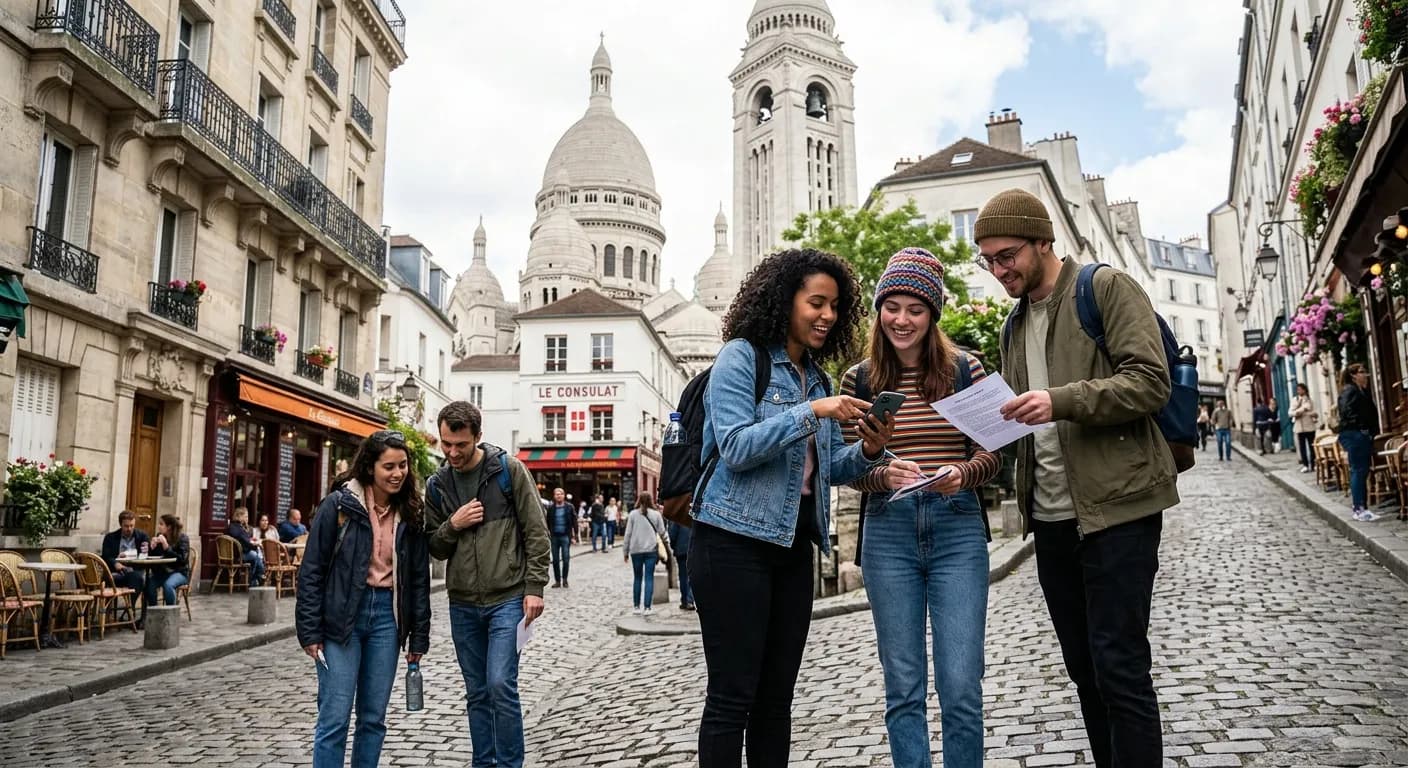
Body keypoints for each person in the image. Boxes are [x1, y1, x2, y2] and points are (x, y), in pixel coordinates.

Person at [984, 188, 1174, 767]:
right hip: (1052, 520)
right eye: (988, 260)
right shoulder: (1012, 327)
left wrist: (1060, 401)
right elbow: (1024, 420)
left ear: (1044, 242)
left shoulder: (1105, 289)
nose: (999, 270)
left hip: (1118, 509)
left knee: (1119, 666)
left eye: (1008, 255)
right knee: (1085, 670)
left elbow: (1150, 381)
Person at [690, 247, 892, 768]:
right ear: (786, 301)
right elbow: (735, 447)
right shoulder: (742, 356)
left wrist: (869, 451)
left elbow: (825, 471)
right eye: (816, 303)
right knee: (732, 698)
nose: (827, 315)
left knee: (776, 703)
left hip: (794, 546)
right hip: (732, 543)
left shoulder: (818, 379)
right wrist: (811, 412)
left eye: (835, 306)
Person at [839, 247, 999, 768]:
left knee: (960, 683)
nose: (902, 320)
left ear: (933, 315)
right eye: (893, 306)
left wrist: (961, 474)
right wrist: (883, 473)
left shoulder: (964, 369)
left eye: (915, 309)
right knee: (903, 685)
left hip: (957, 528)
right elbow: (847, 466)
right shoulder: (858, 381)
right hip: (889, 533)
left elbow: (992, 452)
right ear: (879, 309)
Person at [296, 429, 432, 768]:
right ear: (370, 467)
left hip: (387, 618)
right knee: (335, 717)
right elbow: (311, 570)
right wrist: (309, 631)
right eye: (389, 466)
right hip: (342, 618)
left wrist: (419, 635)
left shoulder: (411, 513)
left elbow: (418, 579)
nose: (398, 473)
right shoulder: (339, 506)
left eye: (403, 465)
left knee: (373, 719)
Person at [426, 401, 549, 768]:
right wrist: (454, 524)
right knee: (477, 693)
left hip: (507, 598)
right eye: (446, 444)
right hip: (462, 602)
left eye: (460, 445)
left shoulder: (508, 471)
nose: (452, 452)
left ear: (478, 437)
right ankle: (484, 762)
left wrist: (535, 587)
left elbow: (536, 532)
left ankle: (510, 764)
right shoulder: (437, 485)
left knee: (499, 684)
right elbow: (434, 544)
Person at [1338, 363, 1379, 522]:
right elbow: (1347, 412)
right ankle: (1358, 509)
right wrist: (1361, 429)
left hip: (1359, 434)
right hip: (1354, 434)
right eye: (1362, 372)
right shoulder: (1350, 390)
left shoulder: (1361, 391)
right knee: (1358, 470)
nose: (1365, 375)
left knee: (1363, 470)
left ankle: (1363, 508)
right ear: (1354, 375)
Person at [623, 494, 667, 615]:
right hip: (651, 550)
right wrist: (667, 545)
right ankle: (647, 608)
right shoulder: (656, 515)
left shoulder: (633, 514)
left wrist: (625, 551)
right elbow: (662, 532)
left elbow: (627, 534)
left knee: (637, 578)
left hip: (635, 550)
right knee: (649, 578)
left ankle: (636, 607)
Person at [145, 514, 190, 607]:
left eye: (161, 524)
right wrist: (152, 547)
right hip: (163, 572)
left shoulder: (183, 538)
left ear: (169, 527)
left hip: (180, 572)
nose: (158, 526)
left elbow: (182, 560)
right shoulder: (160, 536)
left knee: (168, 585)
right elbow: (156, 558)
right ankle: (154, 612)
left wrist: (166, 546)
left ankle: (170, 615)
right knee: (149, 584)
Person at [100, 510, 150, 593]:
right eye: (126, 526)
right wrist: (115, 563)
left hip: (135, 570)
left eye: (132, 526)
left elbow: (146, 554)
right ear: (121, 525)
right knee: (111, 578)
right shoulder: (110, 537)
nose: (129, 529)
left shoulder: (142, 536)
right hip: (117, 571)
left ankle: (131, 605)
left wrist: (147, 549)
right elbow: (106, 555)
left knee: (137, 578)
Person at [227, 507, 265, 587]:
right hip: (238, 555)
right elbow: (245, 542)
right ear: (240, 516)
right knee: (256, 556)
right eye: (245, 516)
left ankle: (256, 579)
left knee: (256, 556)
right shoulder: (238, 528)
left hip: (236, 553)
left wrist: (251, 540)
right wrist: (255, 544)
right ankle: (258, 577)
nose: (247, 518)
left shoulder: (235, 526)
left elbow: (244, 539)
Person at [545, 488, 574, 588]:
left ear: (564, 495)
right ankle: (557, 581)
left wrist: (574, 536)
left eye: (561, 494)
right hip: (554, 537)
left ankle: (565, 580)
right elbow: (547, 522)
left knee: (566, 559)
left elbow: (574, 522)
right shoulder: (551, 508)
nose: (559, 496)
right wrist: (548, 533)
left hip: (565, 536)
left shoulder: (569, 507)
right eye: (557, 494)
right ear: (554, 496)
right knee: (555, 560)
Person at [667, 515, 694, 611]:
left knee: (683, 576)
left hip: (681, 548)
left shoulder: (677, 513)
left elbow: (672, 533)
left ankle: (686, 600)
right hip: (692, 548)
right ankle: (690, 599)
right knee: (691, 575)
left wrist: (673, 546)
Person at [1291, 384, 1318, 473]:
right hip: (1300, 427)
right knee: (1302, 447)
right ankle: (1305, 465)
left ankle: (1313, 464)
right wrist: (1298, 411)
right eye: (1298, 389)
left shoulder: (1310, 400)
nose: (1299, 391)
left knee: (1312, 446)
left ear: (1305, 390)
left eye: (1300, 389)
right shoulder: (1295, 400)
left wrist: (1313, 414)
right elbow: (1290, 412)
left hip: (1309, 426)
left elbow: (1313, 411)